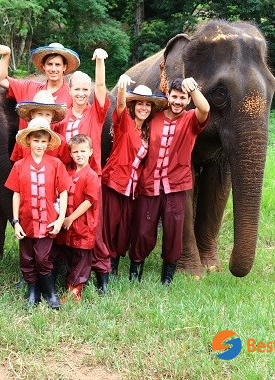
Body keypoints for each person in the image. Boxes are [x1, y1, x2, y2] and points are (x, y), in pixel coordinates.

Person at [129, 77, 210, 286]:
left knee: (173, 231)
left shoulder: (191, 119)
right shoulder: (154, 117)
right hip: (149, 183)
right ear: (168, 96)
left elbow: (205, 108)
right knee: (143, 230)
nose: (177, 102)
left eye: (182, 98)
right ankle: (135, 272)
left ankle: (167, 277)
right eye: (174, 97)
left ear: (188, 100)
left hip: (176, 184)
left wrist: (193, 88)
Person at [51, 48, 112, 294]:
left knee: (92, 228)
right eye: (77, 89)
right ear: (69, 89)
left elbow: (101, 87)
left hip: (89, 176)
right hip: (66, 177)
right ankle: (70, 275)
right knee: (68, 226)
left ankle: (102, 273)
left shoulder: (95, 112)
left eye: (85, 89)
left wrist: (99, 61)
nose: (81, 93)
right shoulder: (61, 116)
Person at [101, 78, 168, 278]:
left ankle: (114, 264)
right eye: (140, 103)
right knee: (109, 228)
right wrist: (122, 87)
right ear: (133, 105)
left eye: (147, 104)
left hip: (132, 189)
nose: (144, 108)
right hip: (114, 183)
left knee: (124, 230)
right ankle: (105, 270)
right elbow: (120, 104)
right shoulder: (124, 123)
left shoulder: (148, 131)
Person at [5, 117, 71, 310]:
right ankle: (33, 291)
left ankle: (49, 292)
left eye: (43, 141)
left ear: (48, 142)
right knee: (26, 259)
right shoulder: (19, 166)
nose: (39, 145)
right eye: (36, 140)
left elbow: (64, 191)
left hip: (47, 221)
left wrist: (60, 219)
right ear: (28, 141)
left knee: (42, 258)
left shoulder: (55, 164)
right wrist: (16, 221)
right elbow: (16, 194)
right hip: (26, 221)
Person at [0, 42, 79, 161]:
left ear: (64, 67)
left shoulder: (72, 94)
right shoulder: (29, 88)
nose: (53, 69)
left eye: (57, 65)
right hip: (26, 158)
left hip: (57, 160)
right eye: (49, 64)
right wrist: (6, 54)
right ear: (43, 66)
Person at [57, 134, 101, 302]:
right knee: (71, 255)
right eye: (75, 152)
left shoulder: (91, 175)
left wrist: (70, 218)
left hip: (83, 224)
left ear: (90, 152)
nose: (79, 155)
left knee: (81, 258)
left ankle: (75, 292)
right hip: (69, 226)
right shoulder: (68, 173)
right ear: (71, 153)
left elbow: (89, 201)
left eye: (83, 151)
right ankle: (70, 286)